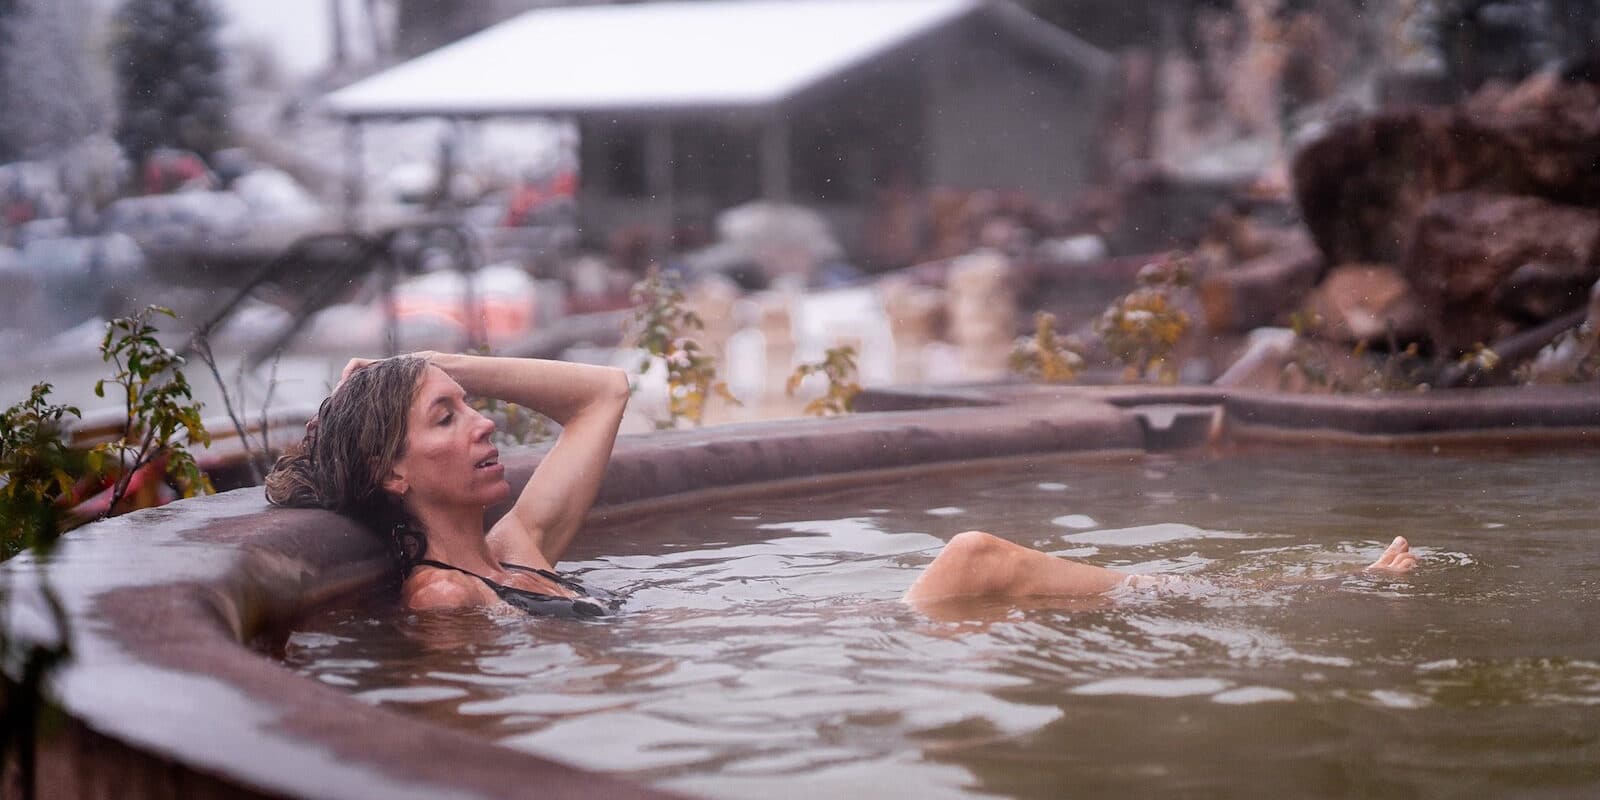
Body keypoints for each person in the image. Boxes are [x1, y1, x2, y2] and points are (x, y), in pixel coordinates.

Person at [266, 352, 1419, 616]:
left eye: (471, 406)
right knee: (975, 555)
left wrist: (435, 358)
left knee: (991, 567)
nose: (480, 423)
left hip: (782, 632)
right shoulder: (452, 595)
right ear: (389, 468)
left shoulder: (521, 543)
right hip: (800, 649)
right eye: (446, 417)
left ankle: (1288, 585)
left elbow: (606, 389)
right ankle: (1299, 589)